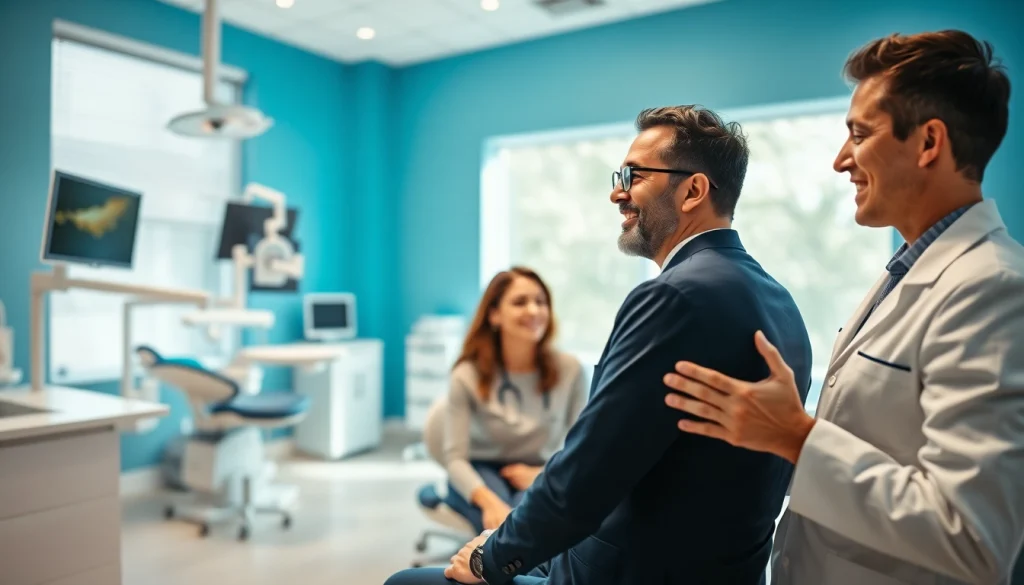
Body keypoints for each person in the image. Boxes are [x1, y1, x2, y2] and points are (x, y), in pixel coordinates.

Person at [385, 105, 813, 585]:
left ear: (693, 190)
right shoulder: (780, 302)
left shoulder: (672, 296)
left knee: (405, 582)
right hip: (721, 568)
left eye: (634, 175)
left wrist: (492, 557)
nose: (617, 192)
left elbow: (588, 475)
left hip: (628, 571)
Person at [662, 30, 1024, 585]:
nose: (840, 160)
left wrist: (795, 436)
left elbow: (973, 538)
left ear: (929, 142)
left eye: (859, 134)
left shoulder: (993, 289)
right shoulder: (906, 272)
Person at [443, 266, 588, 534]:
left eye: (540, 302)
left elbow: (580, 447)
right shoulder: (467, 374)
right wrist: (488, 502)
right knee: (501, 527)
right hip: (480, 470)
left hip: (542, 469)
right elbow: (455, 460)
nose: (533, 311)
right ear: (494, 314)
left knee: (533, 526)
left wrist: (543, 474)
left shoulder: (571, 370)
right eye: (520, 302)